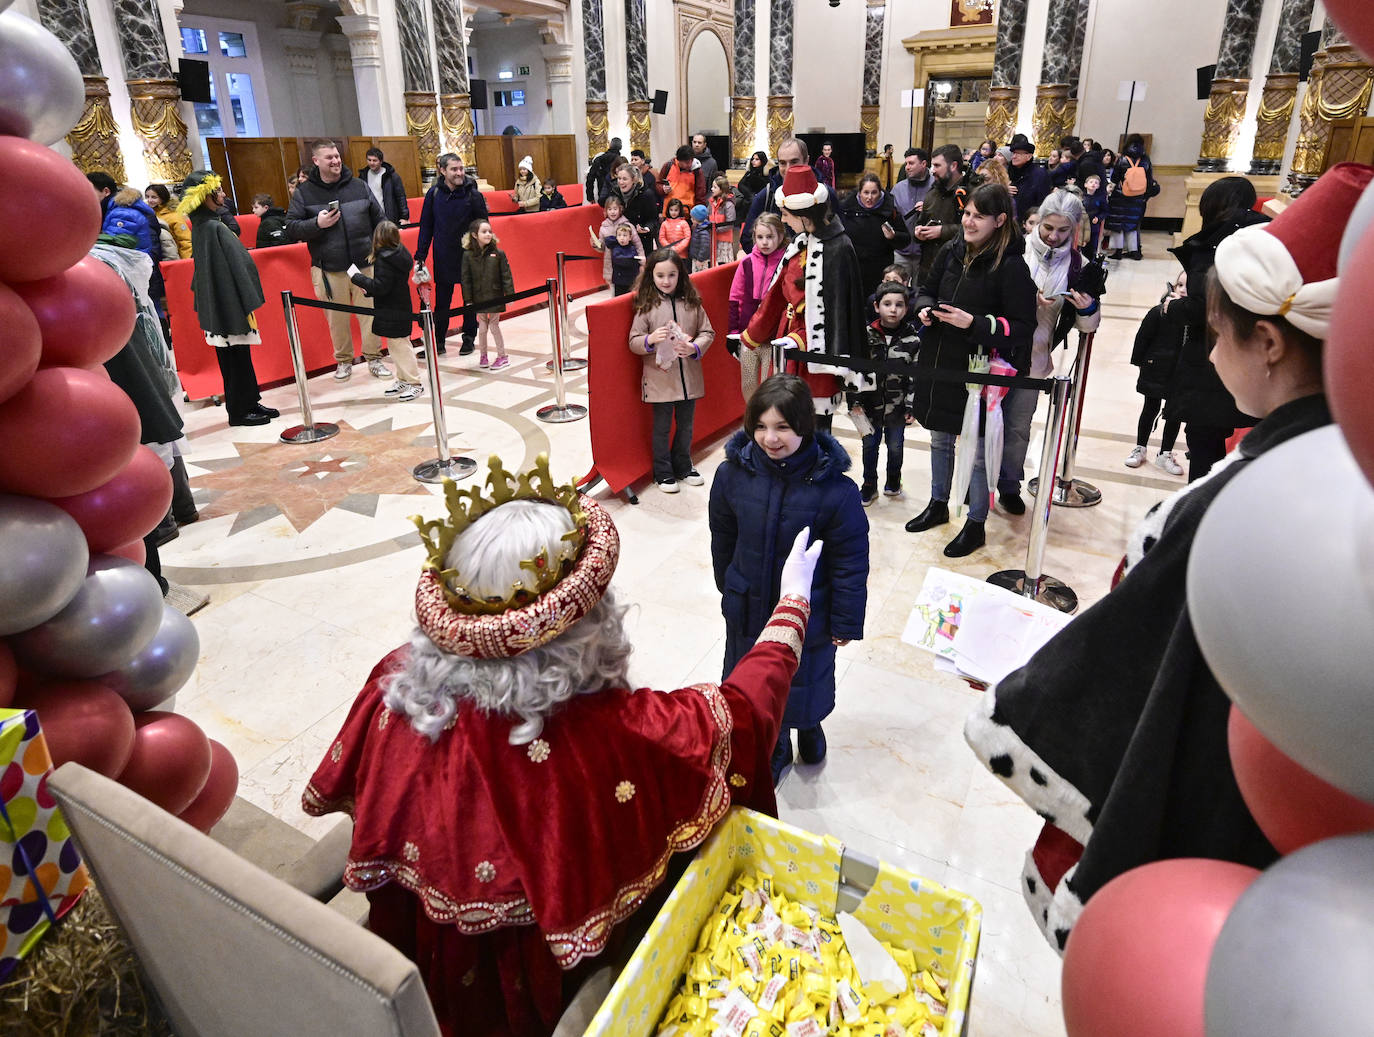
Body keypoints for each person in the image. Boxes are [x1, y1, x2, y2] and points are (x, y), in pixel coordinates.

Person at [964, 163, 1366, 953]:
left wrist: (1022, 679)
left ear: (1273, 342)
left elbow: (1148, 652)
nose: (1214, 355)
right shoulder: (1337, 459)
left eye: (1220, 336)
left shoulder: (1246, 504)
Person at [304, 452, 827, 1037]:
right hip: (535, 994)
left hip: (407, 971)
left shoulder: (390, 689)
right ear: (585, 624)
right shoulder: (610, 735)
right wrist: (793, 603)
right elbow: (737, 718)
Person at [709, 373, 869, 782]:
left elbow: (850, 561)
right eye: (760, 426)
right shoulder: (732, 476)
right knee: (757, 684)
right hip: (749, 607)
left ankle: (809, 724)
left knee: (805, 679)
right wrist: (728, 586)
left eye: (782, 427)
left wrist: (845, 620)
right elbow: (723, 536)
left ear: (804, 425)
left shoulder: (836, 491)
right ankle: (774, 739)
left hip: (809, 613)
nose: (770, 438)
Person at [906, 182, 1036, 556]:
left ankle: (976, 522)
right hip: (939, 357)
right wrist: (925, 309)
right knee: (940, 438)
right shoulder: (951, 249)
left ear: (999, 221)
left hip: (978, 367)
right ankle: (937, 504)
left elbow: (1022, 327)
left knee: (977, 448)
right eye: (966, 214)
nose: (969, 221)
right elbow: (926, 289)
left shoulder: (1011, 265)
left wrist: (974, 323)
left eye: (979, 216)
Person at [997, 188, 1103, 513]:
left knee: (1017, 429)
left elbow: (1089, 327)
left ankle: (1009, 486)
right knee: (982, 424)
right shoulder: (1013, 249)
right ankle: (976, 484)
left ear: (1074, 230)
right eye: (1048, 227)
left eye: (1063, 230)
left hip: (1035, 361)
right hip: (995, 354)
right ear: (1037, 222)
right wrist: (1025, 301)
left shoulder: (1079, 266)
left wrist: (1087, 309)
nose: (1054, 236)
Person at [740, 165, 865, 434]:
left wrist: (799, 338)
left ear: (804, 214)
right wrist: (751, 336)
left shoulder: (839, 248)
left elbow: (837, 314)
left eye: (786, 215)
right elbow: (773, 298)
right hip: (791, 347)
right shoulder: (799, 243)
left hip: (816, 353)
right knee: (788, 421)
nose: (783, 221)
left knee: (815, 427)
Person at [1166, 175, 1267, 480]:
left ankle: (1200, 509)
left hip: (1211, 356)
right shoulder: (1263, 239)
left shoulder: (1212, 245)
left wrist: (1172, 307)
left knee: (1204, 440)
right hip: (1254, 352)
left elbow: (1203, 309)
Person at [176, 170, 277, 427]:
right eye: (218, 190)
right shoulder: (209, 227)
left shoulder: (210, 224)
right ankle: (239, 410)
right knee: (234, 359)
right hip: (226, 303)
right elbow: (229, 268)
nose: (223, 194)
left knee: (240, 355)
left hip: (228, 300)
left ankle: (250, 401)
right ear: (206, 196)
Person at [287, 139, 390, 380]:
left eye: (336, 155)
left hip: (365, 265)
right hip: (329, 269)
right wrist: (316, 224)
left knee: (371, 315)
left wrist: (384, 250)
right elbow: (291, 227)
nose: (335, 160)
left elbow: (380, 219)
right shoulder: (305, 192)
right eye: (329, 157)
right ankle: (344, 361)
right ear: (316, 161)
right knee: (337, 320)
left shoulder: (358, 186)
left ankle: (374, 358)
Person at [627, 247, 714, 493]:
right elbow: (633, 341)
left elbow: (708, 331)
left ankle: (684, 465)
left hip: (689, 378)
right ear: (651, 276)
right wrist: (651, 339)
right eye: (660, 275)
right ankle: (663, 472)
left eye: (672, 275)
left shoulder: (692, 303)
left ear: (681, 275)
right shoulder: (646, 306)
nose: (666, 281)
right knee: (662, 428)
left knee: (686, 426)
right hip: (660, 380)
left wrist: (695, 347)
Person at [413, 152, 489, 358]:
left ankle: (468, 339)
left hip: (469, 256)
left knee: (469, 300)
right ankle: (438, 342)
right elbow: (426, 225)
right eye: (454, 169)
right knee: (442, 301)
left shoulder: (473, 194)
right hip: (444, 255)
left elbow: (484, 225)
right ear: (443, 170)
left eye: (461, 169)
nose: (459, 173)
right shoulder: (434, 194)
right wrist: (420, 254)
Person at [850, 284, 920, 506]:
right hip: (868, 407)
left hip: (897, 409)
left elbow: (916, 378)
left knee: (895, 446)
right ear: (876, 306)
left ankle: (893, 480)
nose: (893, 310)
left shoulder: (913, 340)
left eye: (899, 305)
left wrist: (911, 406)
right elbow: (855, 372)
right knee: (869, 446)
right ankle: (869, 484)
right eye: (887, 304)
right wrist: (854, 401)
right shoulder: (865, 336)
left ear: (907, 308)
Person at [348, 220, 425, 401]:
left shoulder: (384, 258)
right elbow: (387, 285)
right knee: (396, 346)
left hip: (392, 308)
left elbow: (381, 286)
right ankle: (404, 379)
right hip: (398, 305)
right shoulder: (400, 253)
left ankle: (414, 383)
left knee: (401, 346)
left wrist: (358, 278)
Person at [1125, 272, 1188, 472]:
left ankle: (1165, 453)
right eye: (1180, 285)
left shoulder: (1196, 318)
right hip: (1155, 368)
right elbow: (1143, 337)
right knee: (1150, 408)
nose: (1184, 289)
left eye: (1189, 286)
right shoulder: (1159, 312)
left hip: (1181, 372)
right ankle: (1140, 447)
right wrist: (1139, 361)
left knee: (1174, 413)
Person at [728, 212, 786, 401]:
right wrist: (733, 332)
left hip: (773, 337)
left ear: (781, 236)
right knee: (748, 384)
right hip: (748, 335)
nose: (765, 242)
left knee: (769, 386)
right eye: (760, 237)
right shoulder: (746, 263)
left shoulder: (786, 263)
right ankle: (753, 423)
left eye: (770, 237)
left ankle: (768, 422)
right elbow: (735, 297)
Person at [837, 172, 911, 298]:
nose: (869, 197)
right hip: (854, 267)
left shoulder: (889, 209)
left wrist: (894, 236)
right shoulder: (846, 209)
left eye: (874, 192)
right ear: (859, 192)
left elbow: (906, 239)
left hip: (880, 269)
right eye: (866, 192)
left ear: (880, 192)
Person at [460, 218, 515, 371]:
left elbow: (506, 275)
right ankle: (483, 355)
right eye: (484, 232)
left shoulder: (498, 253)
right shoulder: (468, 255)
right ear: (474, 235)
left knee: (494, 326)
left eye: (490, 231)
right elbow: (466, 279)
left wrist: (510, 294)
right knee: (482, 328)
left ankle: (502, 356)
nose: (488, 234)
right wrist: (468, 299)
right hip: (478, 298)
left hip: (495, 296)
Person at [741, 137, 808, 250]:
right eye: (782, 163)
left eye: (794, 162)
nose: (788, 169)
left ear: (806, 161)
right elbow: (747, 239)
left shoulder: (824, 194)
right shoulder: (766, 195)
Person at [914, 144, 968, 282]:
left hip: (956, 270)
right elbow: (922, 221)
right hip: (928, 268)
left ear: (953, 166)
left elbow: (975, 228)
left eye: (937, 166)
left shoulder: (970, 192)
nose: (932, 171)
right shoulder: (932, 193)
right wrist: (919, 232)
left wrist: (942, 231)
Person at [1106, 133, 1157, 260]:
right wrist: (1145, 196)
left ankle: (1118, 252)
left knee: (1118, 224)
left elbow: (1115, 177)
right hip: (1138, 197)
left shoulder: (1123, 159)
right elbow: (1149, 179)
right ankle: (1135, 252)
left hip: (1121, 195)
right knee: (1133, 225)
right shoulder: (1145, 159)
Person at [890, 147, 933, 282]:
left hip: (926, 254)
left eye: (911, 163)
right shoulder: (898, 189)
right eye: (906, 163)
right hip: (901, 252)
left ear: (924, 164)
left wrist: (928, 209)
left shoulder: (936, 187)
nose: (907, 167)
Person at [589, 195, 644, 289]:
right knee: (615, 292)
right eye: (609, 209)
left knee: (632, 290)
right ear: (606, 211)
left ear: (620, 209)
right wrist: (596, 244)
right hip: (612, 267)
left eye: (615, 209)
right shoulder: (603, 228)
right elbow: (603, 247)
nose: (612, 212)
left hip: (629, 265)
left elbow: (637, 244)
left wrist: (642, 260)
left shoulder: (628, 225)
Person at [611, 162, 660, 246]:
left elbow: (653, 220)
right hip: (620, 241)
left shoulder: (646, 194)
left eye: (625, 179)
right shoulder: (614, 193)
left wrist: (646, 228)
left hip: (641, 240)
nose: (621, 182)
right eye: (619, 178)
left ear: (633, 180)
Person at [1006, 134, 1050, 225]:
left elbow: (1042, 201)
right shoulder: (1008, 171)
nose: (1014, 156)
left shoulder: (1039, 174)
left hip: (1027, 221)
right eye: (1013, 153)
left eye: (1018, 154)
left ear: (1029, 156)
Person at [364, 147, 410, 225]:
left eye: (375, 160)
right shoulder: (363, 175)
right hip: (371, 218)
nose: (371, 163)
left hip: (389, 216)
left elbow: (401, 197)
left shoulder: (392, 176)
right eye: (369, 160)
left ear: (381, 161)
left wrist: (404, 217)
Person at [144, 184, 191, 259]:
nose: (149, 200)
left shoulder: (175, 216)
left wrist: (187, 262)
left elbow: (185, 241)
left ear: (162, 198)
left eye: (154, 197)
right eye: (147, 197)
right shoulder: (148, 214)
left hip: (173, 257)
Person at [659, 144, 706, 214]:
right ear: (679, 160)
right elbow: (658, 184)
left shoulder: (697, 171)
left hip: (688, 213)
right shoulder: (668, 166)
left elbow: (700, 195)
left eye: (691, 161)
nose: (689, 164)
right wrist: (662, 189)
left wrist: (697, 216)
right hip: (669, 212)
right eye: (686, 162)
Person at [707, 175, 737, 266]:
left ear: (722, 189)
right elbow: (707, 216)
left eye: (715, 187)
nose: (712, 189)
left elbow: (730, 223)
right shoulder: (711, 202)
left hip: (724, 240)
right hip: (712, 239)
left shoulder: (728, 204)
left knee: (723, 263)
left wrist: (715, 229)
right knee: (712, 262)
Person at [584, 135, 622, 204]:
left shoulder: (599, 159)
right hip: (618, 194)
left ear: (610, 145)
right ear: (620, 147)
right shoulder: (621, 160)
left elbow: (590, 178)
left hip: (602, 193)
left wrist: (590, 196)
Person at [738, 150, 770, 214]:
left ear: (762, 160)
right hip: (748, 200)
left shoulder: (766, 173)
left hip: (760, 202)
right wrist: (750, 195)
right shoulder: (749, 173)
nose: (753, 161)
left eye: (757, 159)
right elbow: (740, 184)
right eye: (752, 159)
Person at [689, 203, 712, 273]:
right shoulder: (698, 228)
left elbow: (705, 246)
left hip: (701, 260)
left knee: (700, 276)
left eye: (692, 218)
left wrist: (700, 259)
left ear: (697, 219)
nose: (691, 219)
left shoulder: (703, 231)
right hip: (696, 257)